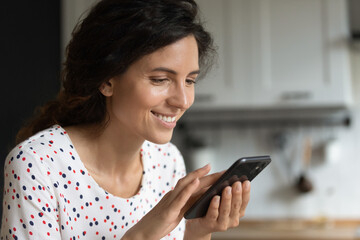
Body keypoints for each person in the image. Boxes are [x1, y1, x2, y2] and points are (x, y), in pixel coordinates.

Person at [1, 0, 251, 239]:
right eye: (160, 79)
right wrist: (140, 236)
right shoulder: (37, 165)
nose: (183, 100)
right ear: (107, 80)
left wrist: (198, 231)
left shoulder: (167, 160)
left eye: (189, 81)